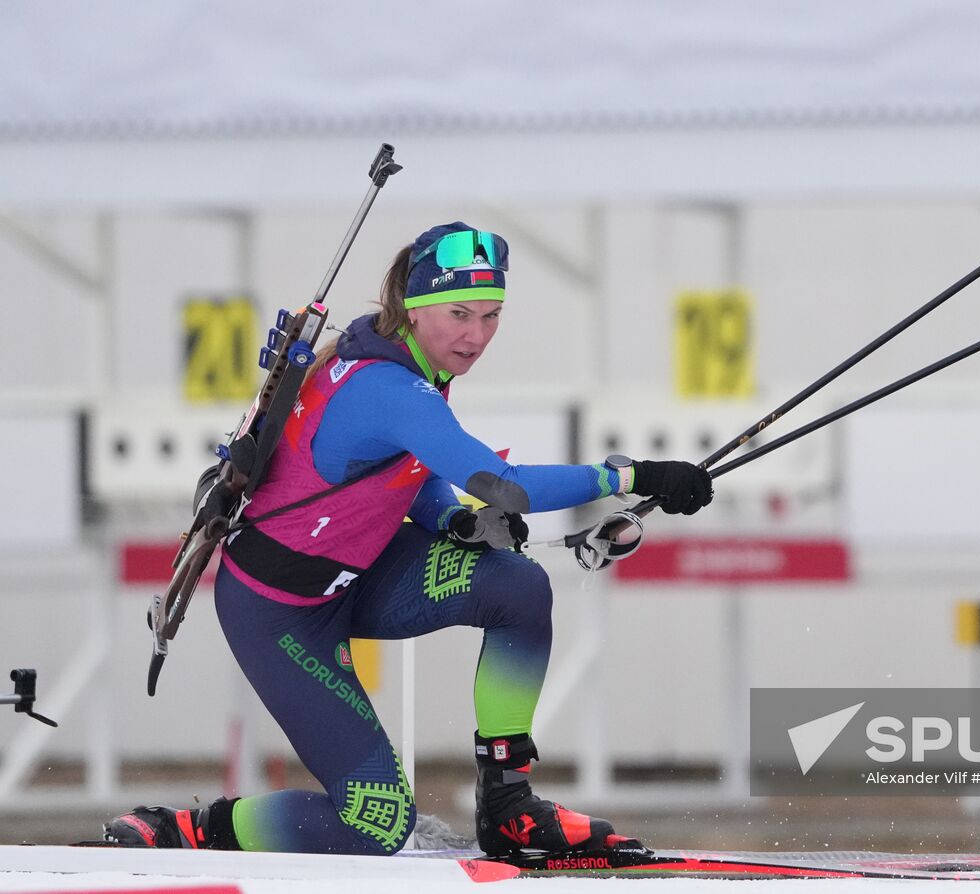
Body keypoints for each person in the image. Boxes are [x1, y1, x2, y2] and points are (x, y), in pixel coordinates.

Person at [104, 222, 713, 856]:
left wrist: (450, 520)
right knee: (376, 823)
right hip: (279, 614)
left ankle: (508, 805)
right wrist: (633, 475)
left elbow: (406, 469)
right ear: (416, 309)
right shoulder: (388, 387)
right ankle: (187, 830)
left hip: (360, 573)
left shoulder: (401, 359)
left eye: (491, 315)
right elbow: (506, 487)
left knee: (518, 586)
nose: (475, 336)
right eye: (458, 314)